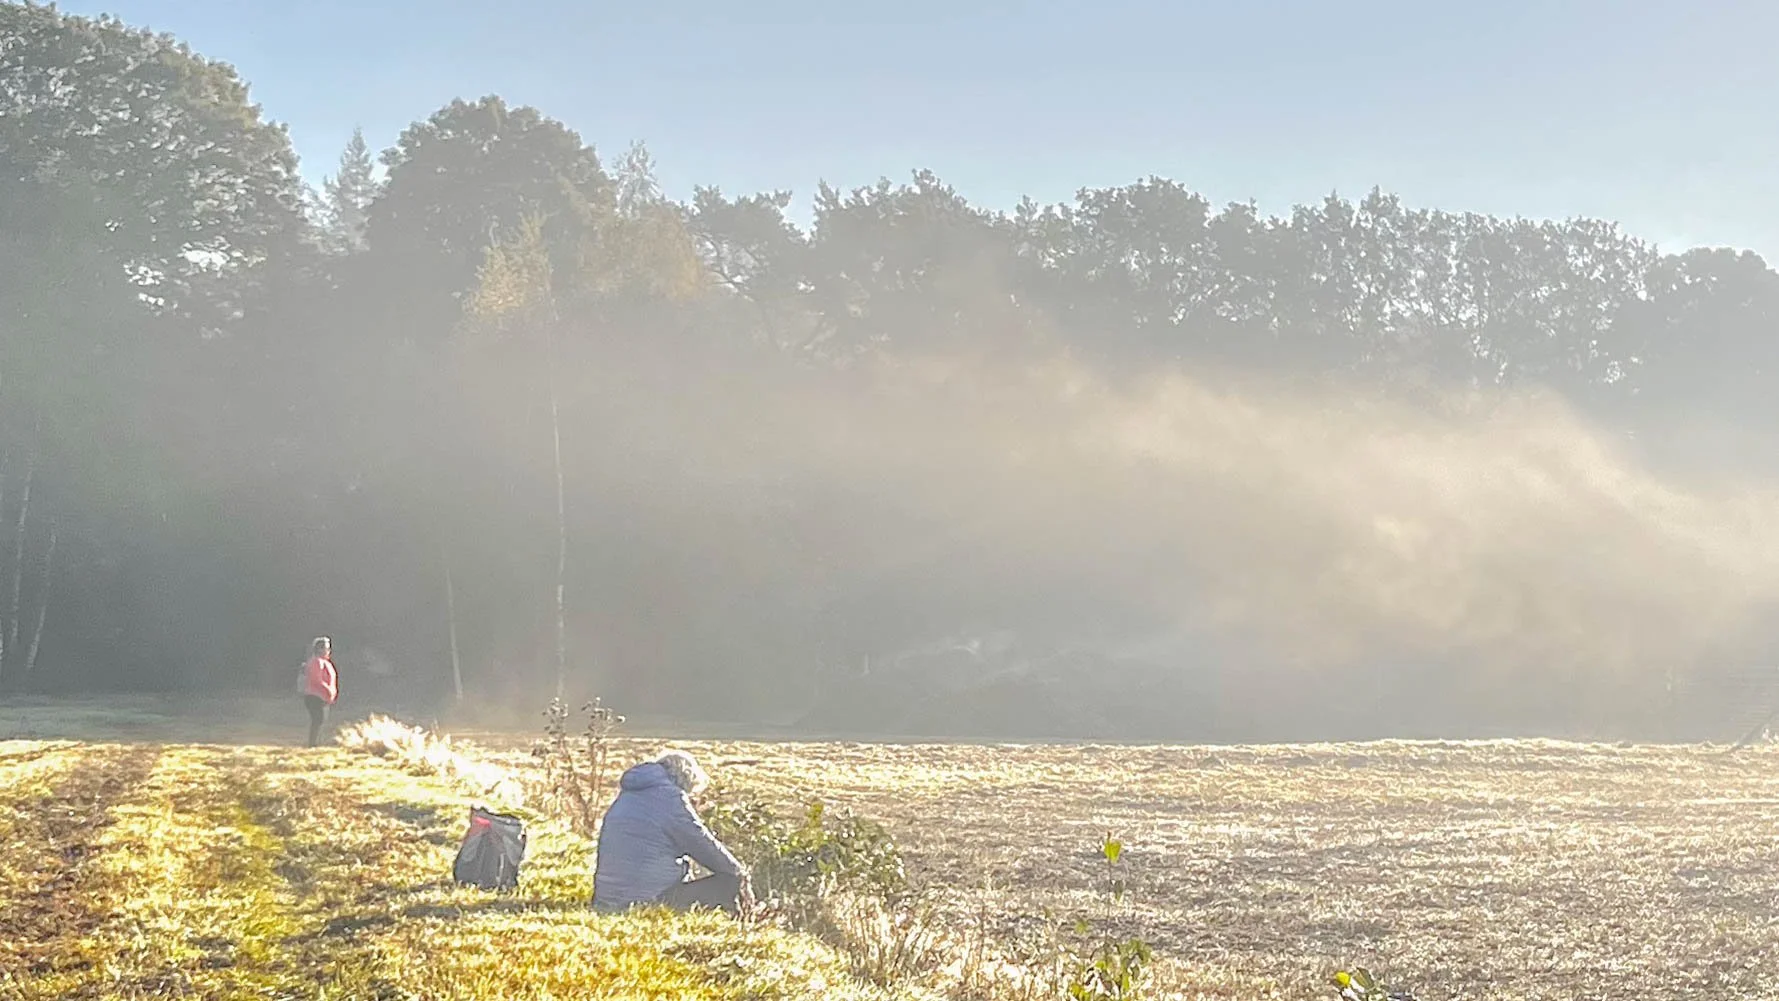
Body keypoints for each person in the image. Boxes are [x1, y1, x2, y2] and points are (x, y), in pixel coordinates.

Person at [592, 750, 751, 917]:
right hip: (646, 900)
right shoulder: (671, 798)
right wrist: (739, 871)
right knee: (732, 881)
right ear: (686, 780)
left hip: (606, 899)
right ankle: (744, 924)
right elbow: (702, 844)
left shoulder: (628, 796)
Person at [298, 636, 339, 747]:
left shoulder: (325, 662)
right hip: (315, 696)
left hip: (322, 697)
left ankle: (317, 743)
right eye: (326, 648)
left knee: (321, 720)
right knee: (318, 720)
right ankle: (313, 744)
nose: (329, 651)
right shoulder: (316, 662)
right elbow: (316, 679)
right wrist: (328, 690)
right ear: (320, 649)